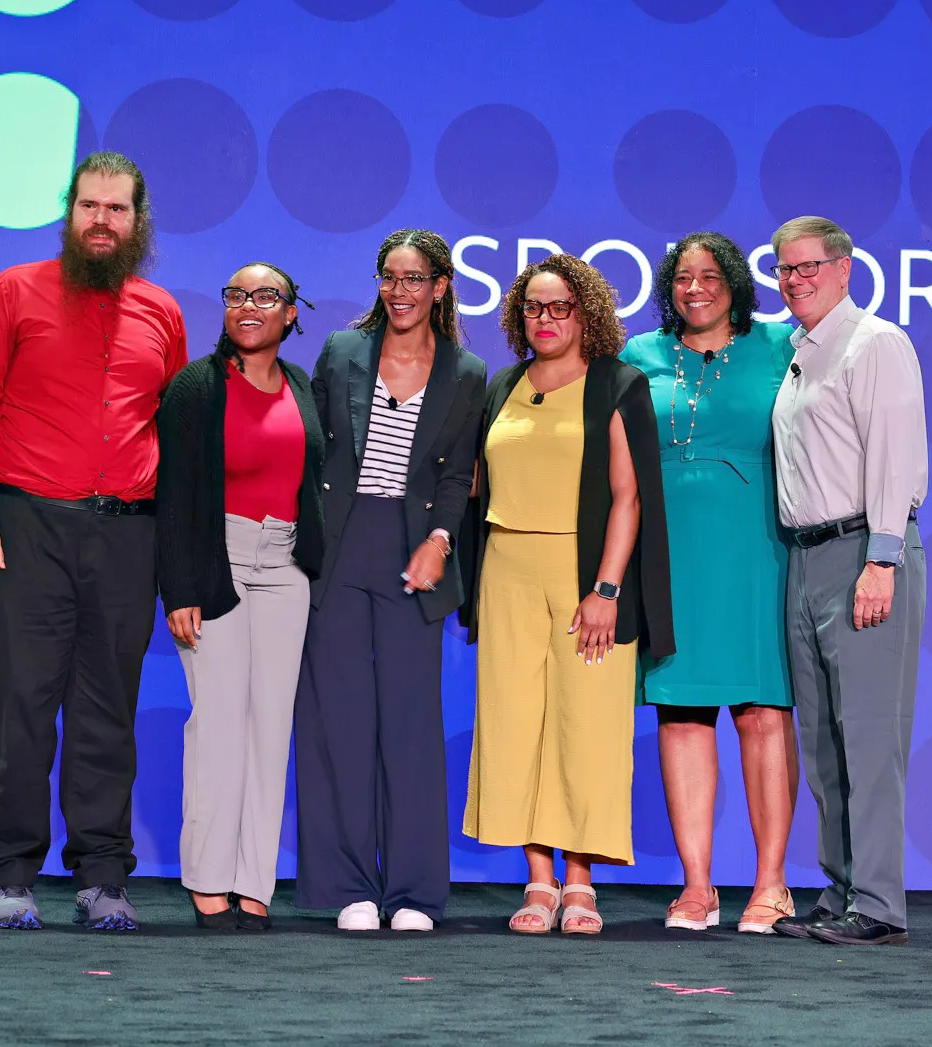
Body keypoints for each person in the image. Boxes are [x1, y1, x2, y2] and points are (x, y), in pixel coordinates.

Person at [0, 152, 187, 932]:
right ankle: (11, 872)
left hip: (127, 535)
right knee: (20, 703)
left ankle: (102, 877)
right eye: (89, 206)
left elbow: (173, 429)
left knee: (105, 711)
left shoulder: (161, 312)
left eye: (117, 210)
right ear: (69, 211)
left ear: (137, 222)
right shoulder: (14, 291)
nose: (101, 221)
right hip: (25, 528)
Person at [460, 254, 674, 935]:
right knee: (516, 722)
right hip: (506, 570)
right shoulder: (503, 385)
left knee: (587, 725)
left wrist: (606, 588)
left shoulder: (616, 382)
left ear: (587, 313)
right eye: (533, 308)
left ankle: (581, 880)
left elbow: (628, 494)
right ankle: (539, 880)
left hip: (584, 573)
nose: (545, 319)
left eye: (559, 307)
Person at [294, 229, 488, 933]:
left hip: (416, 557)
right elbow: (308, 444)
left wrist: (440, 540)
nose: (400, 291)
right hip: (340, 552)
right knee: (340, 720)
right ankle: (350, 886)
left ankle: (412, 893)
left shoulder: (467, 373)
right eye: (389, 277)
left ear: (440, 286)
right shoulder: (342, 352)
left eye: (415, 279)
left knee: (410, 724)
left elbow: (457, 472)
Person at [620, 232, 799, 934]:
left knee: (761, 712)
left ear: (735, 282)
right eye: (682, 277)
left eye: (710, 275)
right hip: (670, 554)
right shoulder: (640, 354)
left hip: (759, 548)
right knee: (682, 713)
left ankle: (772, 884)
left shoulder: (780, 347)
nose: (696, 288)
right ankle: (696, 887)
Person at [765, 216, 928, 948]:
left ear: (844, 269)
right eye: (784, 270)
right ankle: (838, 892)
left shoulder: (875, 345)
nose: (795, 280)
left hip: (864, 549)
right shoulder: (799, 355)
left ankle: (880, 905)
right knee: (823, 740)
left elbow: (896, 459)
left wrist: (881, 560)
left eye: (807, 267)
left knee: (868, 737)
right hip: (805, 556)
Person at [156, 263, 323, 932]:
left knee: (268, 729)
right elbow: (174, 497)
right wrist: (182, 587)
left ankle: (255, 883)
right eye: (235, 295)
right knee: (218, 727)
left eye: (265, 297)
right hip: (214, 561)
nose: (247, 306)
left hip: (285, 569)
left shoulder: (301, 384)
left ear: (290, 313)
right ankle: (208, 880)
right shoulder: (197, 387)